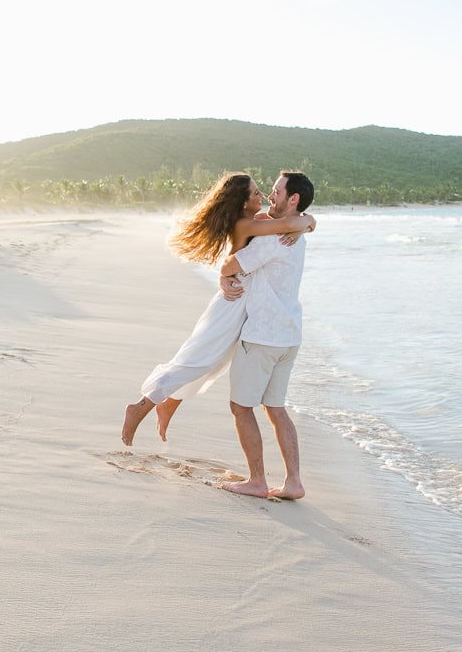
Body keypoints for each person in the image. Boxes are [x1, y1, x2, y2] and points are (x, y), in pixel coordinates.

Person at [120, 172, 316, 447]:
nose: (262, 197)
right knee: (198, 359)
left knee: (211, 363)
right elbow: (289, 223)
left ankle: (169, 405)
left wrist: (305, 223)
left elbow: (288, 223)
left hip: (244, 301)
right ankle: (140, 406)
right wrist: (305, 222)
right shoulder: (245, 225)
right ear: (243, 202)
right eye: (256, 193)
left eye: (264, 192)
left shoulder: (257, 221)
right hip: (232, 304)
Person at [216, 170, 314, 500]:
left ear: (293, 199)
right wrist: (307, 222)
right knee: (276, 408)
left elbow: (232, 265)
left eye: (276, 191)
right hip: (289, 336)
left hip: (262, 337)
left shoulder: (275, 238)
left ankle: (257, 480)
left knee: (241, 407)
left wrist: (223, 275)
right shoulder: (296, 234)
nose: (271, 196)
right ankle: (293, 482)